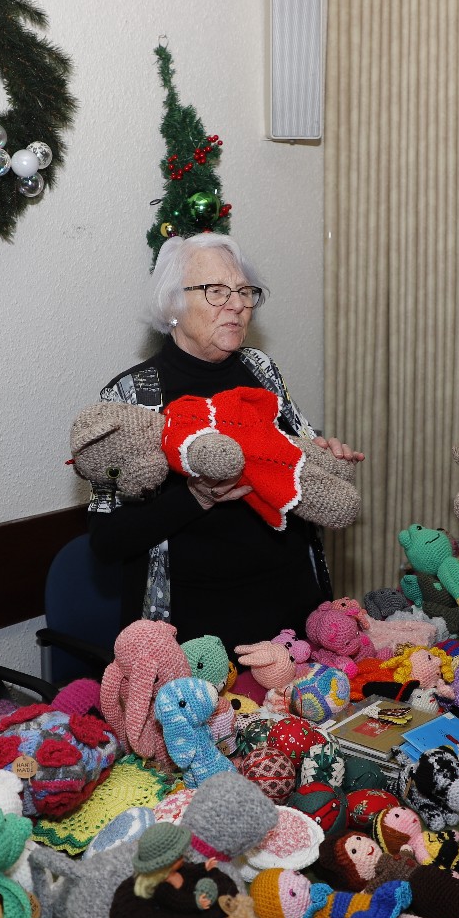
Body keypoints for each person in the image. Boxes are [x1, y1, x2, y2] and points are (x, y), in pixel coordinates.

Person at [86, 232, 363, 652]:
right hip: (200, 634)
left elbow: (294, 452)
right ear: (172, 304)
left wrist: (323, 455)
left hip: (294, 614)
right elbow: (106, 540)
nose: (237, 304)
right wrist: (195, 497)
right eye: (216, 291)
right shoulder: (132, 397)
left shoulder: (261, 369)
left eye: (244, 291)